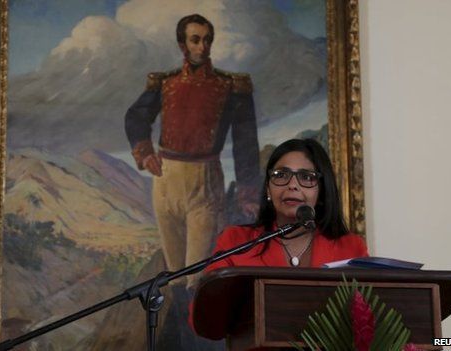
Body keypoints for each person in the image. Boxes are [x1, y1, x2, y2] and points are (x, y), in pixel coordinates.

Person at [125, 14, 261, 286]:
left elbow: (246, 142)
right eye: (196, 40)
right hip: (165, 183)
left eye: (207, 40)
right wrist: (145, 152)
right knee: (174, 276)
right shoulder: (165, 83)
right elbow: (136, 117)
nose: (203, 47)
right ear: (182, 45)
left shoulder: (231, 87)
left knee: (197, 276)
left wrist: (248, 193)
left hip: (204, 182)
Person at [205, 138, 368, 272]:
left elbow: (367, 310)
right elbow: (206, 308)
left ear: (321, 192)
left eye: (306, 177)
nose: (292, 185)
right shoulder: (235, 241)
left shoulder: (351, 249)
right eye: (281, 175)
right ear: (268, 189)